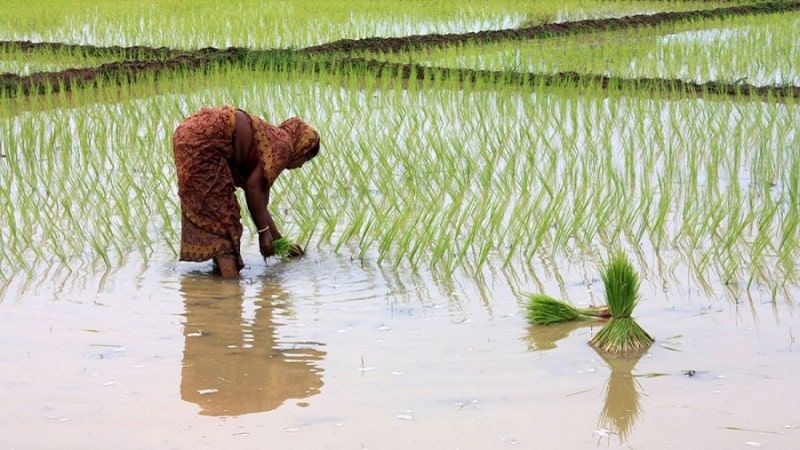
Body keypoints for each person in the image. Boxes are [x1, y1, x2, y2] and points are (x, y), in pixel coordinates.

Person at [172, 106, 320, 278]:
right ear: (301, 146)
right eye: (306, 158)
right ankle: (231, 291)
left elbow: (261, 206)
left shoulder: (270, 145)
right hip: (203, 141)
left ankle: (216, 287)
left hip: (186, 134)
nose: (301, 165)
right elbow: (252, 189)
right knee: (224, 217)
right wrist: (263, 234)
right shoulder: (284, 146)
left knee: (213, 210)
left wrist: (281, 244)